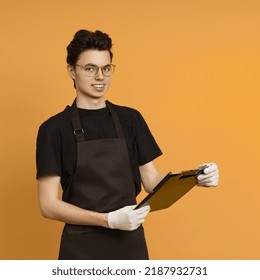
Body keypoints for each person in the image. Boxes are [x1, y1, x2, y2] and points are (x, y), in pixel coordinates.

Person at [36, 29, 219, 260]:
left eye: (106, 68)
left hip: (130, 247)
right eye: (90, 68)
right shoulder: (54, 129)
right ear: (71, 70)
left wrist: (195, 178)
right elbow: (48, 205)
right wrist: (109, 220)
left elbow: (152, 182)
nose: (100, 77)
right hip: (80, 250)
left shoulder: (130, 119)